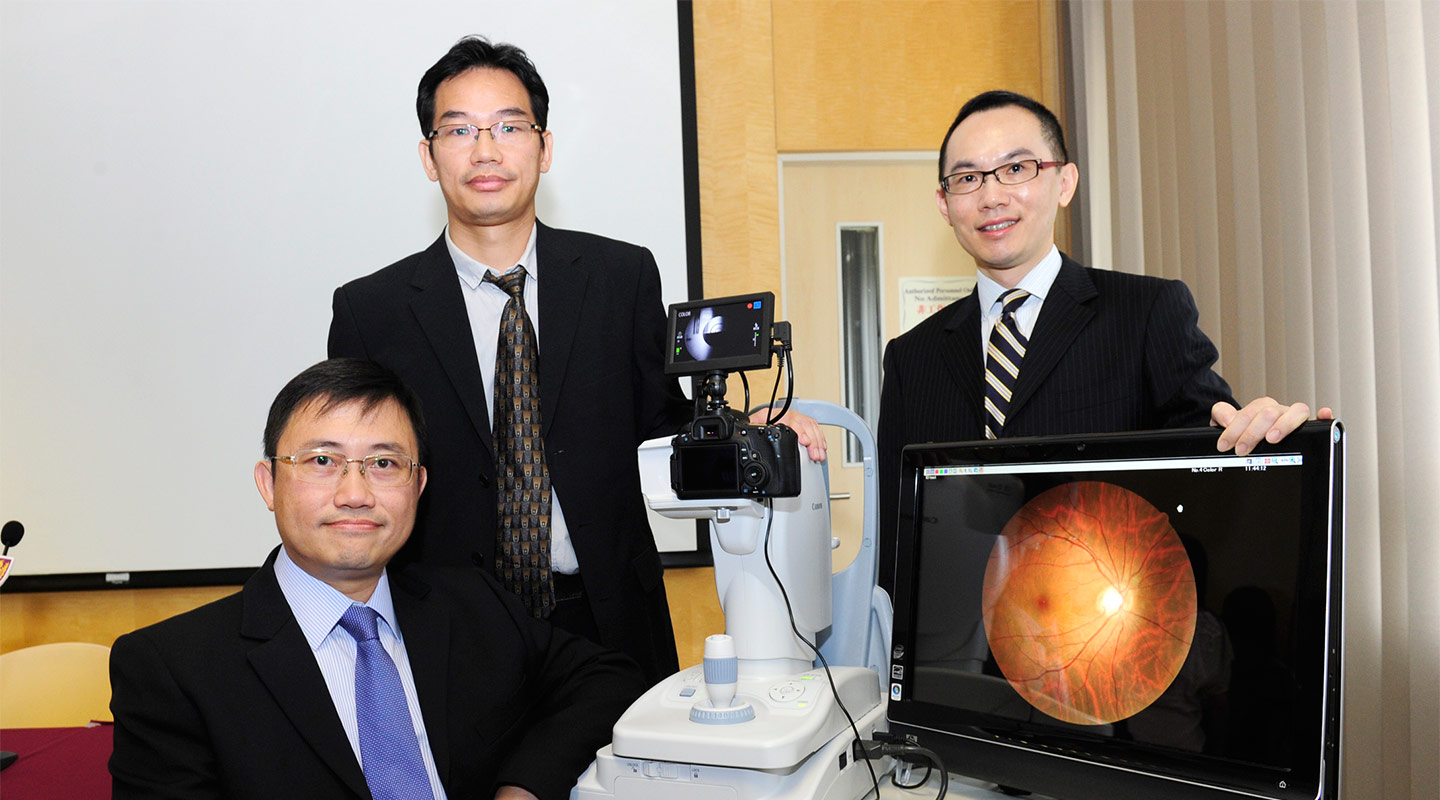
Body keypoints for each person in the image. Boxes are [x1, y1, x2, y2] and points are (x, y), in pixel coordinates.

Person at [328, 36, 823, 683]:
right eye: (459, 129)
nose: (486, 149)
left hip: (606, 618)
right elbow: (360, 465)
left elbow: (660, 426)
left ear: (544, 145)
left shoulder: (619, 277)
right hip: (445, 631)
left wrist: (744, 426)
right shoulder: (374, 308)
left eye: (509, 125)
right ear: (428, 155)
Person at [109, 359, 646, 800]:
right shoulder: (172, 668)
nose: (355, 493)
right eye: (323, 460)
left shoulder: (473, 605)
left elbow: (609, 678)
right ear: (268, 483)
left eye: (384, 464)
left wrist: (523, 787)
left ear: (418, 486)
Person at [877, 90, 1330, 594]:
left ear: (1064, 182)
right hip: (957, 643)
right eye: (967, 179)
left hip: (1107, 628)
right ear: (944, 203)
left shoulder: (1145, 312)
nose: (991, 196)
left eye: (1016, 169)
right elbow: (897, 528)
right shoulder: (910, 357)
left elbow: (1211, 452)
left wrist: (1268, 435)